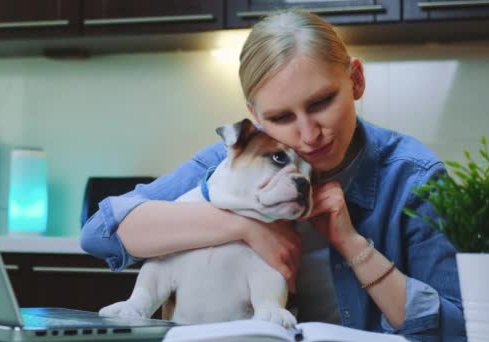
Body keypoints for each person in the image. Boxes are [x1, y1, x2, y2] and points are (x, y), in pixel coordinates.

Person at [81, 9, 465, 338]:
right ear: (255, 117)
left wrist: (351, 244)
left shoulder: (413, 177)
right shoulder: (236, 157)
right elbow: (100, 232)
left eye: (322, 102)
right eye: (281, 118)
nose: (309, 134)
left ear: (356, 81)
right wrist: (243, 226)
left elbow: (459, 329)